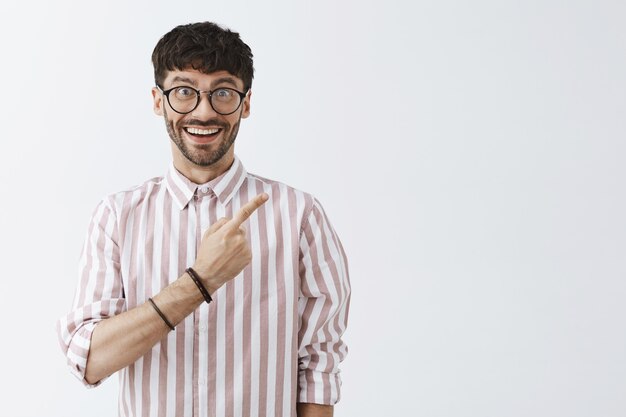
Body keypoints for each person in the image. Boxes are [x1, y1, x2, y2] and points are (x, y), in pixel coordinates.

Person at [57, 21, 350, 417]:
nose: (204, 111)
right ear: (158, 100)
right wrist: (201, 281)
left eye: (223, 92)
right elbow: (88, 359)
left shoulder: (300, 216)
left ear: (246, 103)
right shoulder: (117, 217)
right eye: (184, 91)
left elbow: (319, 366)